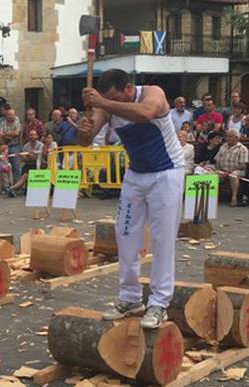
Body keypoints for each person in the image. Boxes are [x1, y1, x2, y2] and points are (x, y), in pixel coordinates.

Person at [77, 68, 185, 329]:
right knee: (124, 234)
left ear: (129, 88)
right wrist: (84, 127)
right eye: (107, 99)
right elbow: (84, 141)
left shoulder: (152, 93)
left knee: (162, 239)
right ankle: (129, 298)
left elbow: (145, 113)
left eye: (117, 97)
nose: (113, 103)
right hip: (136, 174)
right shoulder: (107, 108)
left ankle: (159, 303)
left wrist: (101, 102)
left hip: (166, 172)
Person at [214, 129, 249, 207]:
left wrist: (230, 171)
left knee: (233, 175)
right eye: (227, 136)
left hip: (237, 170)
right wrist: (219, 170)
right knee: (211, 175)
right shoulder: (223, 146)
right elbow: (217, 160)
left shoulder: (242, 148)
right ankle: (212, 197)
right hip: (223, 170)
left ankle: (234, 197)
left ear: (236, 138)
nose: (228, 138)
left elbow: (243, 165)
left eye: (230, 137)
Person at [7, 129, 44, 196]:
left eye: (34, 135)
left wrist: (29, 156)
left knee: (24, 176)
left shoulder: (40, 145)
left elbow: (39, 158)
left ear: (37, 136)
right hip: (28, 164)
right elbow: (23, 159)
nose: (32, 136)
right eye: (31, 135)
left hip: (37, 165)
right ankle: (13, 190)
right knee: (23, 176)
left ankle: (12, 188)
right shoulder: (26, 146)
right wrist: (25, 157)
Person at [0, 108, 22, 183]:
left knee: (16, 166)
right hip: (3, 146)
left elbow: (17, 133)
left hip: (14, 146)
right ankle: (5, 185)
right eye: (8, 115)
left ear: (14, 115)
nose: (10, 116)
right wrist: (10, 134)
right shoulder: (3, 123)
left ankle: (16, 184)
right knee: (3, 168)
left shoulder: (17, 122)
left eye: (12, 114)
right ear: (6, 116)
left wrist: (5, 134)